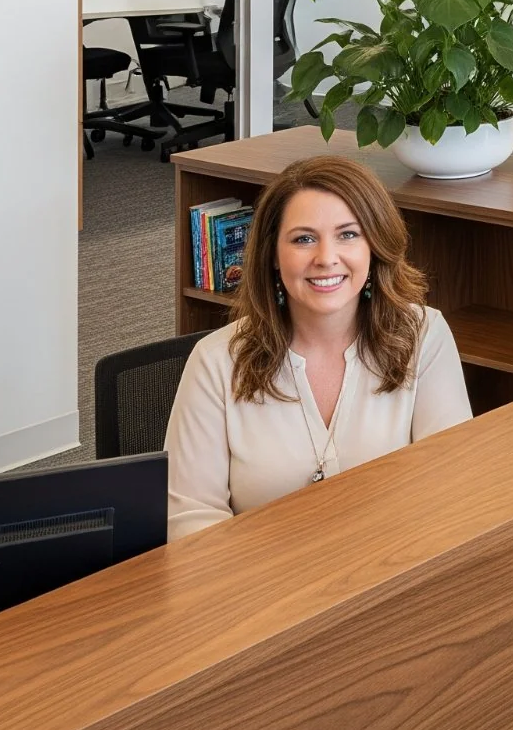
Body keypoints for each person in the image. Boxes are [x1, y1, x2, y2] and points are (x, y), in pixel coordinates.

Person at [165, 155, 472, 540]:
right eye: (303, 239)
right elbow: (190, 518)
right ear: (274, 256)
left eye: (348, 234)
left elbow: (449, 485)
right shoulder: (215, 362)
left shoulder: (424, 335)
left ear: (374, 246)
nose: (326, 258)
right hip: (262, 586)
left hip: (395, 571)